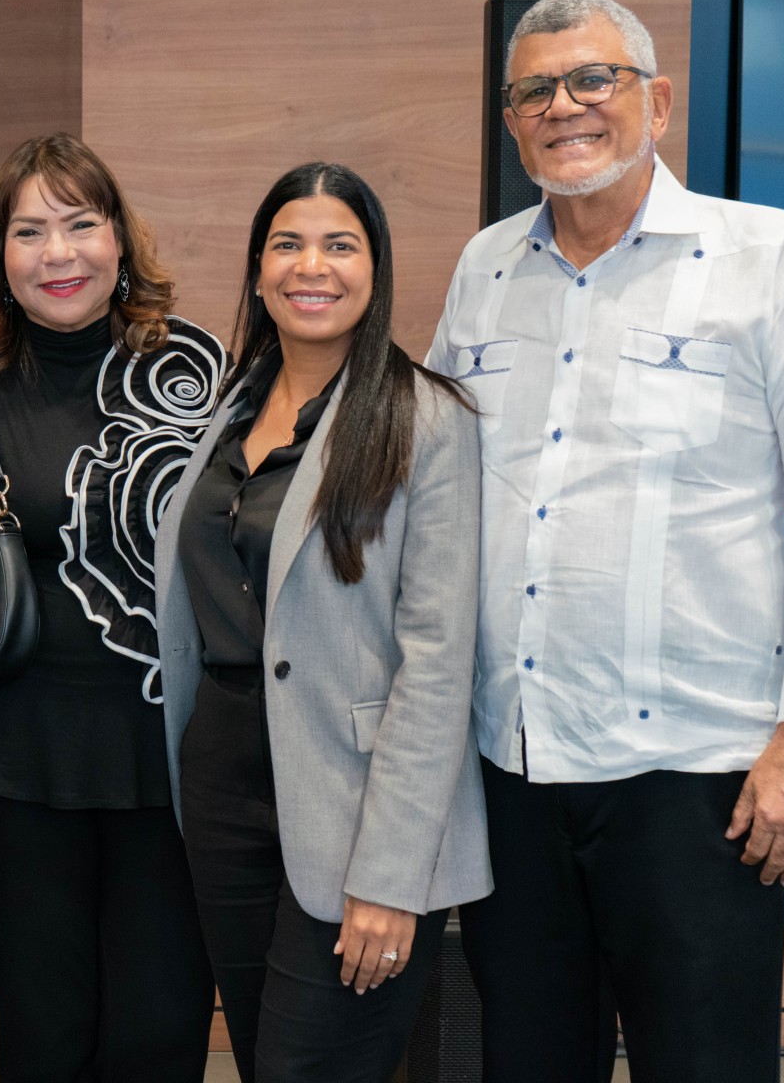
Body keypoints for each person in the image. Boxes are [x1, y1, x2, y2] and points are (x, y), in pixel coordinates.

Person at [427, 0, 784, 1081]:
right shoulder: (484, 267)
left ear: (659, 102)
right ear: (512, 122)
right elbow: (435, 492)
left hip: (698, 777)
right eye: (535, 90)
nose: (565, 106)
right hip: (512, 765)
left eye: (594, 79)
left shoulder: (772, 256)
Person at [0, 132, 221, 1082]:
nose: (58, 253)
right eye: (29, 232)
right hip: (16, 779)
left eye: (80, 224)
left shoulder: (199, 372)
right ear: (0, 255)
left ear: (120, 239)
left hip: (175, 775)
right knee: (46, 1039)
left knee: (163, 1036)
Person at [153, 162, 490, 1083]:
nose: (312, 267)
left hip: (355, 800)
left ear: (376, 268)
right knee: (265, 1060)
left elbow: (438, 665)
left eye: (340, 245)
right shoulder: (228, 409)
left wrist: (391, 876)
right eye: (287, 245)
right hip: (223, 783)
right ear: (258, 270)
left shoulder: (428, 420)